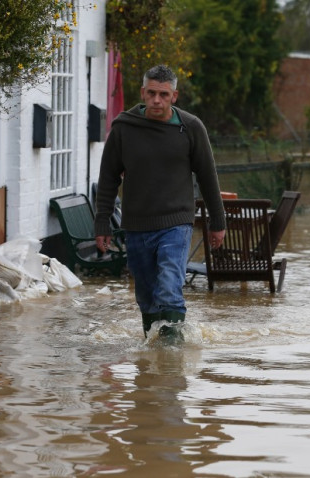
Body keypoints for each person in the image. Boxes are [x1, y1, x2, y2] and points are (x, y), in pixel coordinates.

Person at [94, 64, 226, 339]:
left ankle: (170, 358)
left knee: (168, 287)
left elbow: (208, 177)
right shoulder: (123, 129)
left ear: (174, 97)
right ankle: (152, 356)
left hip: (176, 222)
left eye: (164, 95)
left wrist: (218, 221)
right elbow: (108, 179)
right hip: (137, 224)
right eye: (152, 93)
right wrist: (102, 224)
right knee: (146, 295)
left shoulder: (191, 128)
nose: (157, 100)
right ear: (142, 93)